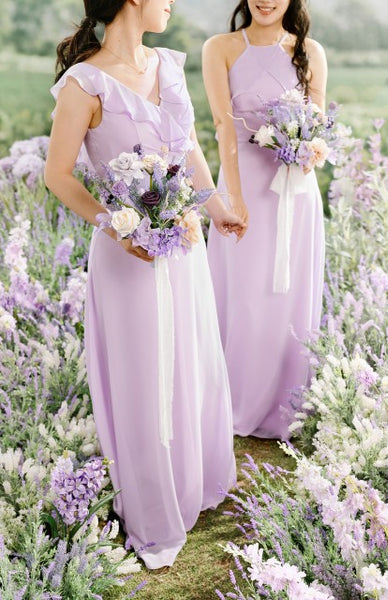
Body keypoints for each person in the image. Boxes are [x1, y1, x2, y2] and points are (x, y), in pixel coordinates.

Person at [44, 0, 244, 570]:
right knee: (143, 379)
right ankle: (153, 509)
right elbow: (58, 174)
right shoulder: (84, 83)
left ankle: (190, 483)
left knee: (189, 363)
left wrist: (217, 207)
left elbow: (188, 149)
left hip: (183, 248)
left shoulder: (168, 65)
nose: (172, 3)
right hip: (126, 258)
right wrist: (117, 224)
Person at [203, 0, 327, 439]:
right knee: (245, 296)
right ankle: (232, 401)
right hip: (243, 186)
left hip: (295, 192)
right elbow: (223, 124)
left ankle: (286, 407)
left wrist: (309, 152)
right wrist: (234, 196)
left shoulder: (310, 51)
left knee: (290, 297)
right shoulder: (219, 47)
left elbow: (317, 128)